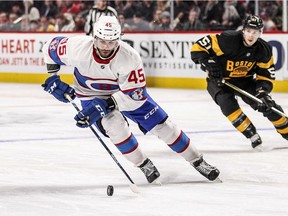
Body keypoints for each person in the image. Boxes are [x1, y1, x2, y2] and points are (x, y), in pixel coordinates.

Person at [41, 15, 220, 183]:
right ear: (93, 37)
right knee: (115, 127)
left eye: (111, 42)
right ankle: (143, 164)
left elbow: (136, 95)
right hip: (90, 95)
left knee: (165, 128)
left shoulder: (129, 57)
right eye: (102, 41)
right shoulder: (76, 47)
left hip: (126, 95)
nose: (105, 47)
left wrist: (109, 103)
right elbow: (49, 47)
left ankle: (197, 160)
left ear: (119, 39)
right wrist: (53, 77)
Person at [190, 15, 288, 150]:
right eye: (248, 31)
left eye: (255, 32)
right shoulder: (228, 40)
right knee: (228, 105)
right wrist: (208, 63)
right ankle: (252, 135)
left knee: (268, 105)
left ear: (261, 33)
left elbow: (265, 76)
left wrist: (262, 92)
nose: (251, 35)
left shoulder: (264, 50)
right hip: (220, 81)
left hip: (245, 80)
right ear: (243, 30)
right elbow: (198, 47)